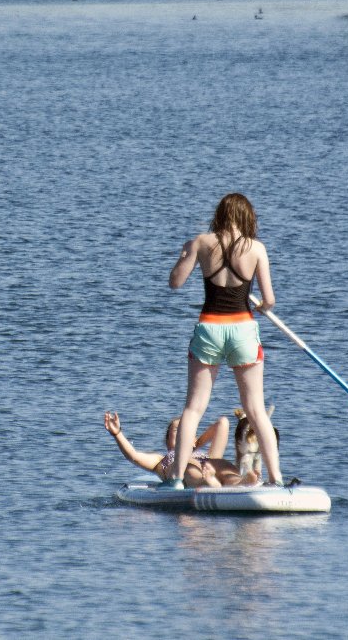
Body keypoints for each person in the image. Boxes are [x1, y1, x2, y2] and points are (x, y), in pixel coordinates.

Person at [161, 193, 284, 489]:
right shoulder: (257, 249)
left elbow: (175, 282)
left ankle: (177, 479)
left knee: (193, 408)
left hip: (210, 329)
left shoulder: (202, 243)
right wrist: (263, 307)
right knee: (255, 408)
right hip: (242, 329)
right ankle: (276, 479)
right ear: (247, 218)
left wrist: (185, 254)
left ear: (219, 215)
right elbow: (269, 300)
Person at [104, 411, 259, 488]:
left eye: (187, 431)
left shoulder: (205, 454)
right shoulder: (161, 459)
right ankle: (208, 482)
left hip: (209, 464)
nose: (183, 432)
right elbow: (134, 456)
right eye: (178, 430)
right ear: (167, 440)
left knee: (223, 466)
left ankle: (242, 481)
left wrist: (195, 443)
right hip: (186, 469)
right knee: (190, 469)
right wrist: (117, 433)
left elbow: (223, 423)